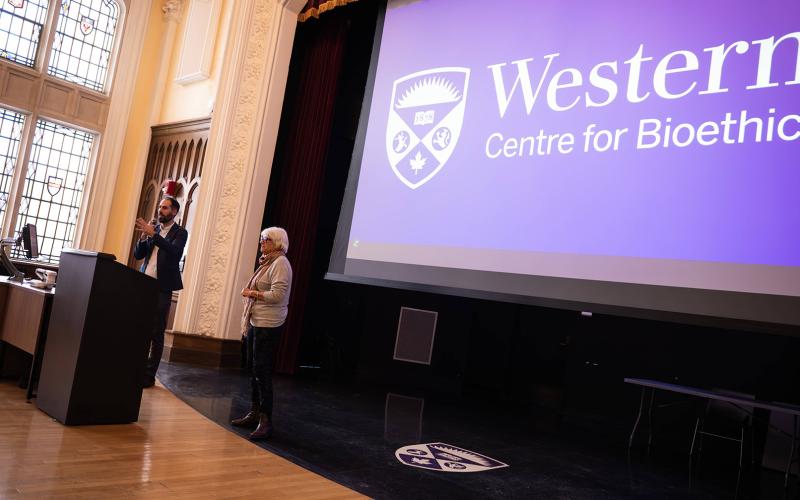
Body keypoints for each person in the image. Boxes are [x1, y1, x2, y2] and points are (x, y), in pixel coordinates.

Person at [231, 226, 292, 440]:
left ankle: (266, 421)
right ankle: (254, 413)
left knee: (262, 371)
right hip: (256, 321)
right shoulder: (267, 262)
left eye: (264, 239)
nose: (261, 243)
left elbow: (277, 295)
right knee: (254, 369)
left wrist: (251, 293)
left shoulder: (281, 263)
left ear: (276, 242)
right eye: (261, 239)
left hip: (269, 324)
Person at [133, 196, 188, 388]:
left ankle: (149, 375)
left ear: (174, 212)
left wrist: (154, 235)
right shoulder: (153, 229)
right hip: (144, 283)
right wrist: (143, 237)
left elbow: (174, 252)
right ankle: (135, 368)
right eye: (159, 207)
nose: (160, 211)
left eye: (165, 208)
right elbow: (138, 255)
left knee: (156, 331)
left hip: (162, 287)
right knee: (140, 327)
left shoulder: (180, 232)